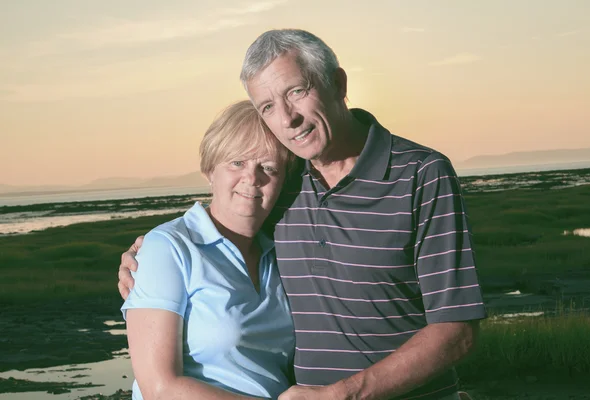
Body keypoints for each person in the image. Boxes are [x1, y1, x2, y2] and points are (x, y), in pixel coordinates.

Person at [119, 29, 486, 400]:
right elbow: (220, 224)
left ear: (338, 83)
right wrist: (148, 255)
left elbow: (458, 330)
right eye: (267, 107)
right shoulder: (286, 184)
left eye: (297, 91)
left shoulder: (421, 173)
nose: (287, 118)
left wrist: (343, 395)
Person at [120, 100, 297, 400]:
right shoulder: (169, 248)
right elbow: (159, 388)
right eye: (237, 162)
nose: (252, 178)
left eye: (268, 167)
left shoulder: (284, 252)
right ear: (209, 170)